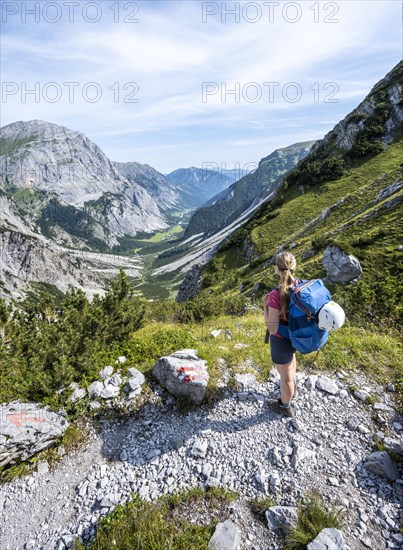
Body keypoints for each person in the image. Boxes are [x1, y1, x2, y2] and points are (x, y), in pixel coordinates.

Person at [264, 251, 298, 418]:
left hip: (281, 340)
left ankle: (285, 405)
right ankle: (292, 388)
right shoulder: (300, 285)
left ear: (277, 269)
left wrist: (266, 307)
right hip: (297, 336)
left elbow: (272, 328)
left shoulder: (275, 295)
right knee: (291, 364)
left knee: (285, 378)